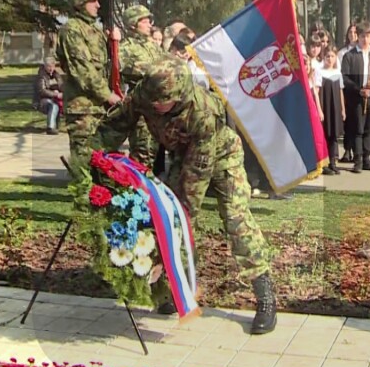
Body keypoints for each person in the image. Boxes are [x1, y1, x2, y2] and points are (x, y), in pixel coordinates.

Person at [112, 55, 277, 334]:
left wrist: (184, 212)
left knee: (235, 221)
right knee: (166, 220)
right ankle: (179, 290)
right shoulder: (146, 94)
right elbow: (114, 125)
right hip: (184, 156)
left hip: (222, 159)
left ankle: (265, 294)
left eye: (162, 103)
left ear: (178, 96)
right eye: (153, 101)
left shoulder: (201, 110)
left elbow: (197, 176)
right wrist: (94, 155)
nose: (155, 107)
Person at [55, 0, 122, 177]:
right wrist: (108, 95)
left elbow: (107, 67)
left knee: (99, 159)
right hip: (82, 108)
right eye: (92, 0)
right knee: (83, 160)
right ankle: (83, 204)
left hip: (97, 107)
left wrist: (113, 43)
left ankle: (96, 201)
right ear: (79, 2)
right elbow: (83, 70)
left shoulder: (95, 30)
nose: (98, 5)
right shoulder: (72, 30)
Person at [118, 4, 167, 168]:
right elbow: (115, 73)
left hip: (158, 108)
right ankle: (138, 189)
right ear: (133, 24)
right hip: (141, 108)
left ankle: (148, 187)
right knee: (142, 152)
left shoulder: (153, 47)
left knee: (153, 152)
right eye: (144, 21)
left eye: (149, 21)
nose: (149, 25)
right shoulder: (126, 49)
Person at [341, 21, 370, 173]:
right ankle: (358, 160)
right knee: (358, 129)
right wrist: (358, 89)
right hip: (357, 98)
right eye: (362, 36)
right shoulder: (350, 56)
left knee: (369, 129)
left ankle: (367, 159)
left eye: (368, 36)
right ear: (357, 38)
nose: (365, 39)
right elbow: (345, 78)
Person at [34, 56, 64, 135]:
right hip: (42, 101)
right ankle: (50, 127)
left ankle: (56, 126)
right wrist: (55, 94)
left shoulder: (57, 75)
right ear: (45, 66)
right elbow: (42, 91)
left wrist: (62, 92)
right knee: (53, 105)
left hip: (55, 98)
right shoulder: (41, 76)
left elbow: (62, 86)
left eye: (52, 66)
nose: (51, 68)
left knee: (60, 104)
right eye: (49, 66)